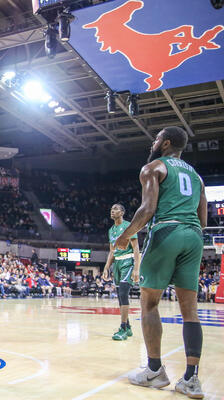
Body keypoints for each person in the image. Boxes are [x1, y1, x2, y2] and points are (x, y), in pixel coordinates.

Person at [115, 127, 207, 398]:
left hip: (168, 231)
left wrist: (125, 235)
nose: (152, 143)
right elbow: (203, 221)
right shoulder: (197, 176)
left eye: (156, 139)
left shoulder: (153, 167)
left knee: (150, 302)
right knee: (190, 311)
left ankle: (155, 370)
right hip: (194, 237)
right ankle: (191, 380)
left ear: (165, 143)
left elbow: (148, 209)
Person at [102, 203, 141, 341]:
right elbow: (112, 251)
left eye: (116, 209)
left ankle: (123, 328)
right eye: (111, 209)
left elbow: (136, 249)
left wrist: (137, 268)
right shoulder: (111, 230)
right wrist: (106, 267)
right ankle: (128, 326)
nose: (112, 211)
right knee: (120, 296)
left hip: (128, 262)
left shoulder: (129, 226)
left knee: (124, 293)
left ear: (122, 212)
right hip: (117, 264)